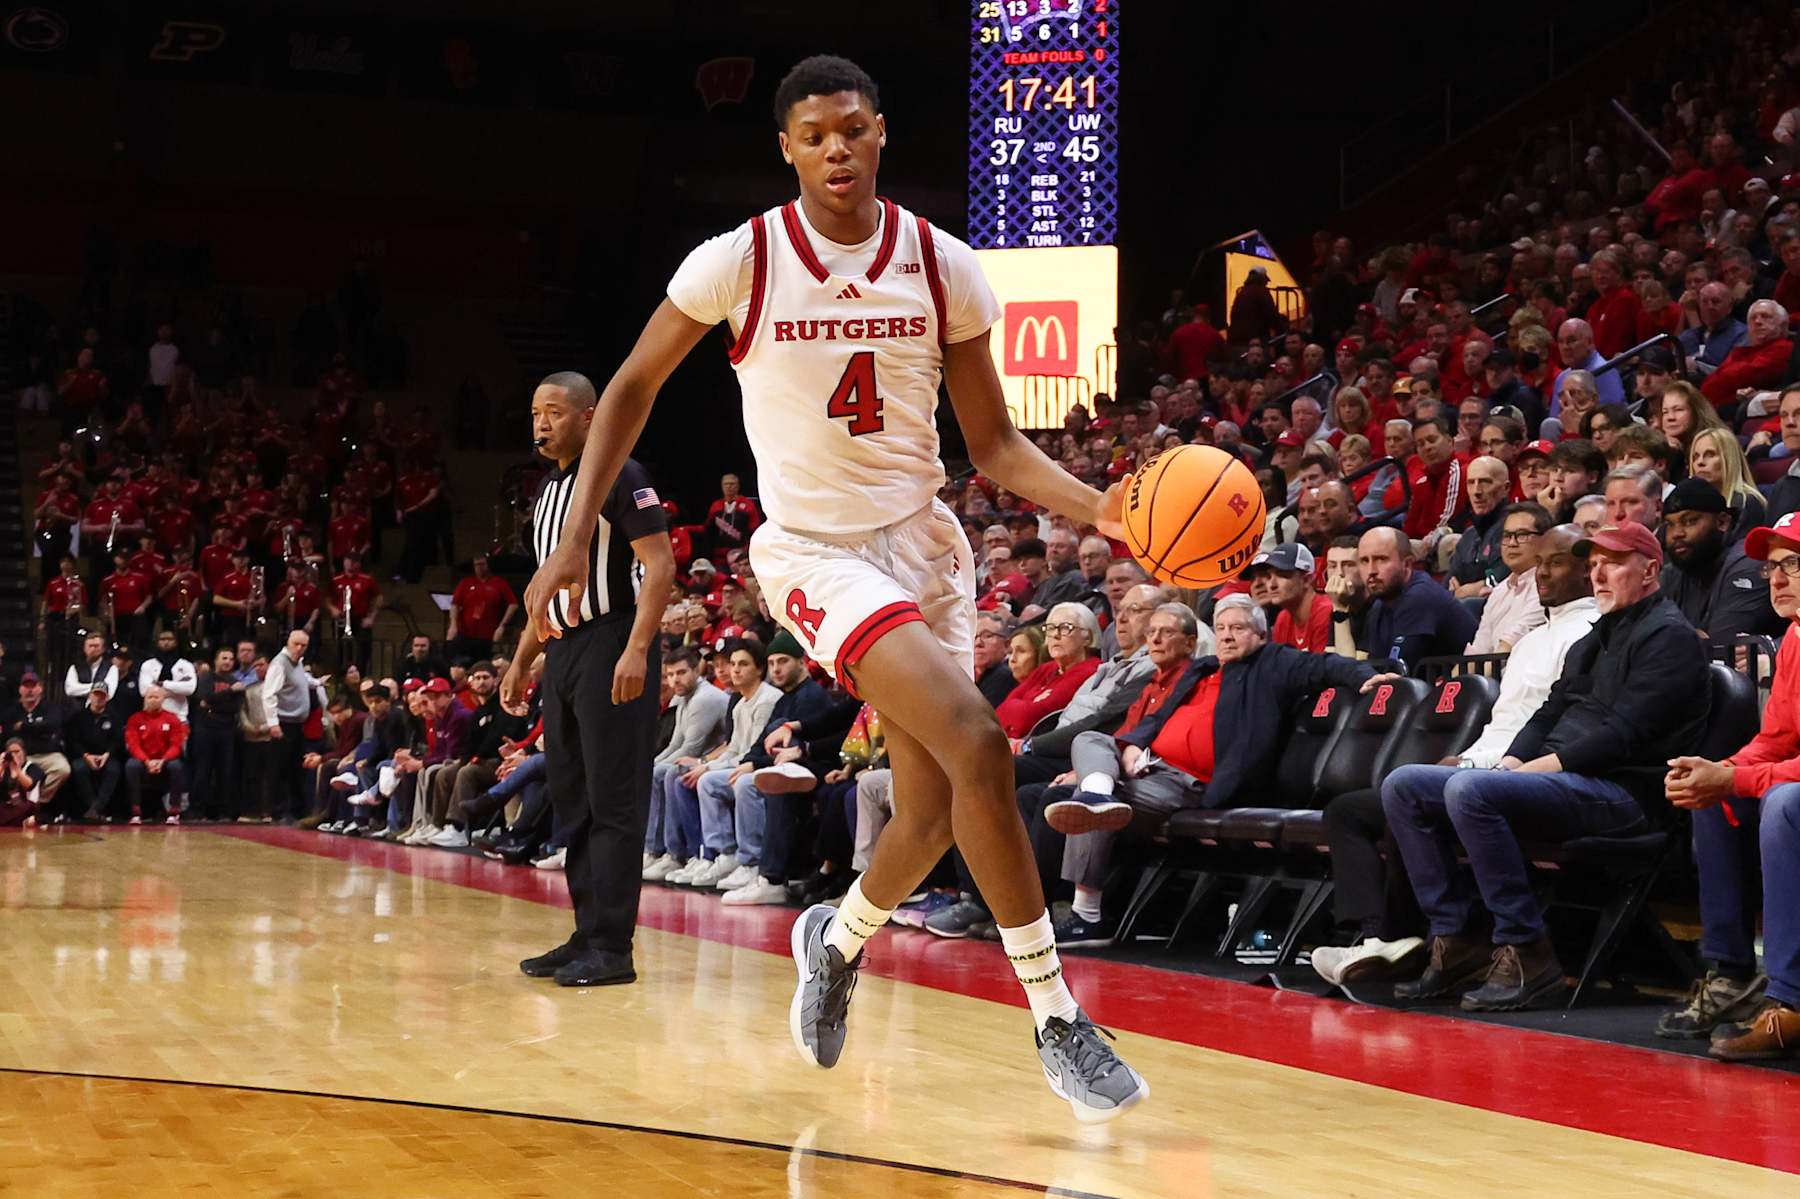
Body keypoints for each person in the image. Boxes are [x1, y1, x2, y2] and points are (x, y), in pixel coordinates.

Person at [521, 56, 1146, 1119]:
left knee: (937, 809)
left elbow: (991, 442)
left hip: (923, 543)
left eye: (852, 129)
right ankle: (1056, 1013)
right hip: (814, 550)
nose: (836, 149)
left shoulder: (944, 265)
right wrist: (575, 536)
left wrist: (1106, 510)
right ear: (788, 148)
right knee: (981, 743)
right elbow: (627, 387)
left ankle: (836, 935)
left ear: (881, 133)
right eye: (814, 135)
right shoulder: (742, 259)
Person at [1380, 521, 1709, 1011]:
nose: (1599, 575)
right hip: (1566, 782)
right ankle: (1458, 938)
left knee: (1470, 791)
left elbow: (1624, 736)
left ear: (1651, 571)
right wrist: (1512, 762)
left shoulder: (1670, 638)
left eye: (1613, 563)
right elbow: (1548, 712)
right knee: (1404, 785)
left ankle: (1527, 950)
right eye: (1593, 564)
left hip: (1626, 796)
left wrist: (1530, 772)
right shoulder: (1595, 637)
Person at [1315, 524, 1600, 987]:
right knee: (1360, 805)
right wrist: (1467, 757)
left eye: (1556, 562)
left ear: (1588, 571)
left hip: (1527, 775)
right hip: (1486, 763)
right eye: (1540, 563)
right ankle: (1383, 937)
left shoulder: (1589, 635)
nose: (1542, 573)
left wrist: (1485, 766)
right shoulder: (1531, 641)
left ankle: (1419, 937)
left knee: (1412, 796)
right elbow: (1502, 723)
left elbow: (1557, 726)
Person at [1043, 596, 1381, 945]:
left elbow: (1326, 666)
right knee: (1090, 741)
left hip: (1191, 784)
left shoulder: (1272, 663)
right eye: (1221, 628)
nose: (1227, 636)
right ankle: (1097, 788)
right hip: (1148, 768)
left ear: (1261, 635)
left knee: (1082, 801)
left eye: (1238, 628)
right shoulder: (1202, 670)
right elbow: (1156, 720)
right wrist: (1127, 747)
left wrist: (1366, 677)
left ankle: (1088, 914)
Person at [504, 370, 675, 988]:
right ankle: (585, 933)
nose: (541, 424)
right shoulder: (551, 491)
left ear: (588, 415)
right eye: (534, 413)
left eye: (552, 412)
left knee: (613, 800)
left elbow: (661, 567)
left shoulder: (622, 474)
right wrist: (524, 657)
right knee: (572, 797)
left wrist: (636, 649)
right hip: (566, 648)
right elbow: (548, 586)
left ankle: (613, 946)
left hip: (613, 641)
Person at [1664, 511, 1800, 1060]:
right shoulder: (1794, 637)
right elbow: (1777, 738)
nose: (1778, 579)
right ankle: (1731, 974)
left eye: (1793, 564)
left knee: (1783, 804)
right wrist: (1719, 772)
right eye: (1772, 568)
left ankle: (1790, 1002)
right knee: (1714, 797)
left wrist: (1739, 777)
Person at [1659, 479, 1782, 646]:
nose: (1677, 534)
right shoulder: (1673, 571)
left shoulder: (1748, 564)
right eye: (1670, 524)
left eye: (1690, 521)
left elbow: (1721, 648)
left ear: (1722, 522)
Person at [1358, 527, 1476, 669]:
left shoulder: (1420, 597)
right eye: (1364, 561)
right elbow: (1371, 668)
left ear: (1407, 564)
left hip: (1462, 687)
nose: (1371, 571)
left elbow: (1398, 672)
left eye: (1381, 559)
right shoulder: (1379, 605)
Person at [1466, 503, 1553, 653]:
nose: (1512, 543)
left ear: (1545, 539)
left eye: (1522, 535)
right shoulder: (1499, 590)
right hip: (1492, 671)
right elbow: (1479, 649)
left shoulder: (1547, 586)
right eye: (1507, 536)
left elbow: (1508, 648)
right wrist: (1458, 677)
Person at [1247, 543, 1332, 652]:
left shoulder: (1325, 612)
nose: (1272, 585)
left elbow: (1323, 668)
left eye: (1282, 575)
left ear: (1307, 580)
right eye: (1269, 576)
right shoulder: (1283, 619)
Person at [124, 685, 188, 824]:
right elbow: (133, 745)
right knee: (131, 765)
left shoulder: (172, 719)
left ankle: (174, 811)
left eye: (156, 697)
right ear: (145, 699)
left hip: (165, 761)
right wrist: (147, 761)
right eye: (150, 697)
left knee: (176, 766)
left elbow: (176, 745)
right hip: (144, 760)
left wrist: (162, 761)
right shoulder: (135, 719)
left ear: (163, 699)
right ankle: (135, 812)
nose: (153, 700)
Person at [447, 553, 519, 662]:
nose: (479, 567)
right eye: (476, 565)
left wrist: (502, 626)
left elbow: (513, 604)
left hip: (488, 635)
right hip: (465, 633)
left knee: (484, 662)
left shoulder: (499, 583)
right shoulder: (466, 582)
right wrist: (453, 625)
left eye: (482, 564)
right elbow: (455, 604)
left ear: (487, 565)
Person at [136, 628, 196, 725]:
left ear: (176, 642)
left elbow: (190, 689)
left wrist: (164, 683)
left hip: (179, 718)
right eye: (162, 639)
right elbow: (144, 691)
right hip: (152, 719)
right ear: (157, 642)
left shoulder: (186, 665)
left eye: (170, 639)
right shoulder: (148, 664)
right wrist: (177, 688)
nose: (166, 642)